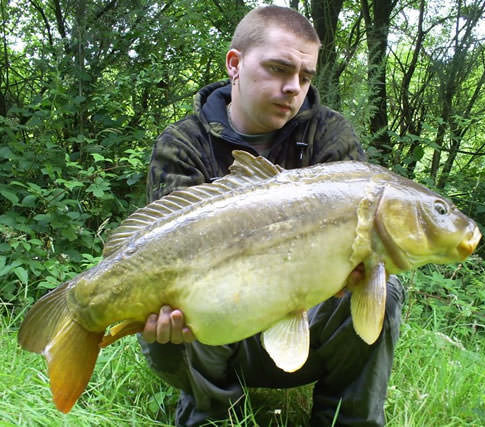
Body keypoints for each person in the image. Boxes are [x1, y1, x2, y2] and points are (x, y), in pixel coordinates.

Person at [138, 5, 405, 427]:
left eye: (305, 77)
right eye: (279, 69)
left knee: (384, 285)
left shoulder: (330, 135)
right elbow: (165, 254)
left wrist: (352, 271)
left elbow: (361, 250)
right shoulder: (183, 143)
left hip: (303, 328)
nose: (293, 88)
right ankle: (208, 413)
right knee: (169, 305)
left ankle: (348, 419)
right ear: (235, 64)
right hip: (218, 330)